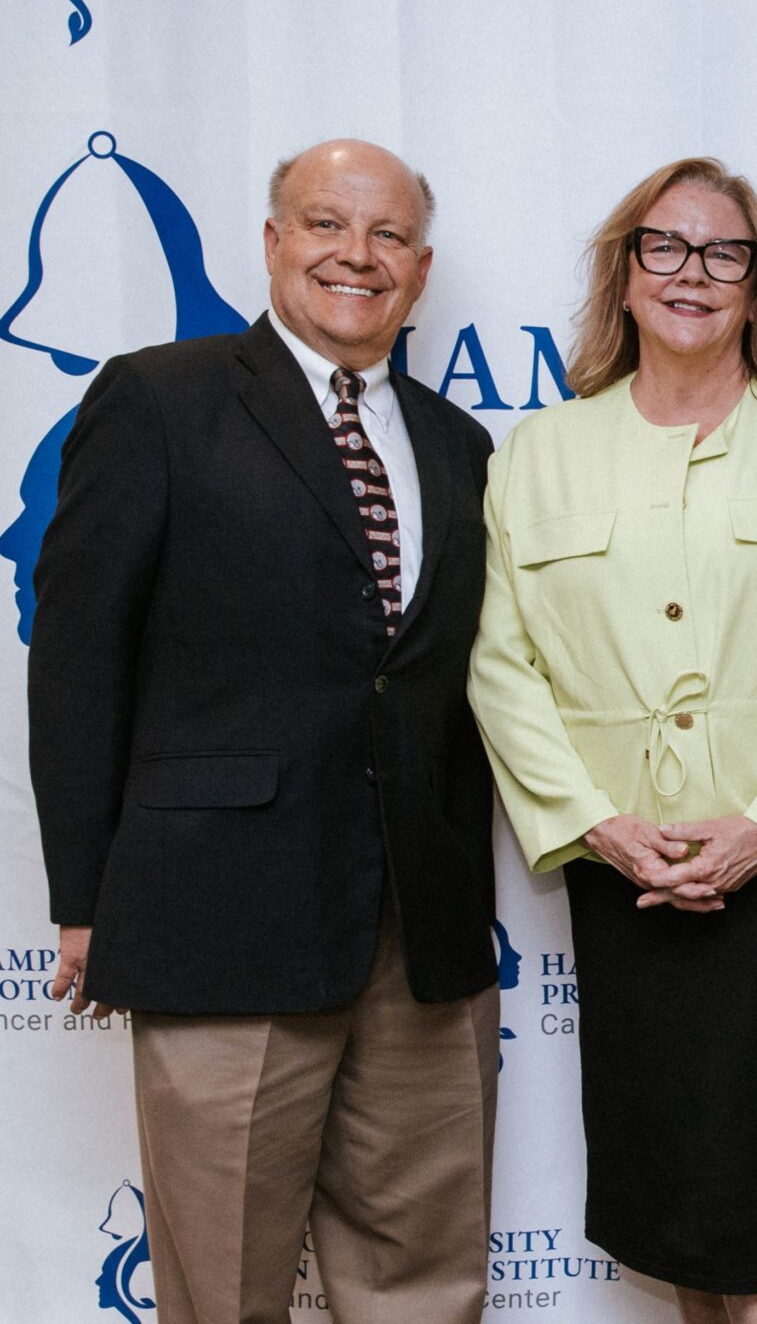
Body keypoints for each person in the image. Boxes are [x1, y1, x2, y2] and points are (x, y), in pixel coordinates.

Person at [29, 139, 500, 1324]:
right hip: (217, 919)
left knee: (424, 1281)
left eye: (389, 235)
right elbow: (78, 658)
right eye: (327, 223)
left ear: (422, 268)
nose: (357, 254)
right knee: (225, 1283)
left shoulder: (459, 445)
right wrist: (85, 896)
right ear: (274, 241)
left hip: (421, 936)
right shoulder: (157, 399)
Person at [467, 158, 757, 1324]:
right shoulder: (538, 453)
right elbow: (501, 667)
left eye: (723, 253)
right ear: (623, 273)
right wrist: (597, 826)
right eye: (663, 246)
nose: (690, 273)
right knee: (669, 1209)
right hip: (621, 875)